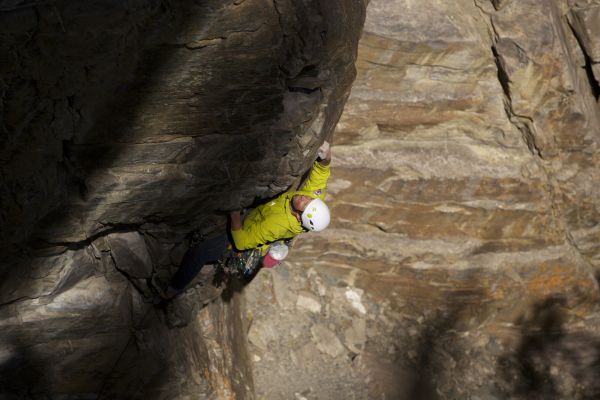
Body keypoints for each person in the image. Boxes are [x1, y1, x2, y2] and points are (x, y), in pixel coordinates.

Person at [154, 141, 332, 301]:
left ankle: (173, 288)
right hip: (259, 213)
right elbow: (320, 176)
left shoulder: (277, 226)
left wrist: (235, 214)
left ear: (299, 217)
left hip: (247, 233)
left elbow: (242, 242)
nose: (302, 198)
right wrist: (326, 157)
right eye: (308, 200)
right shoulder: (311, 200)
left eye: (304, 204)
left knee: (199, 253)